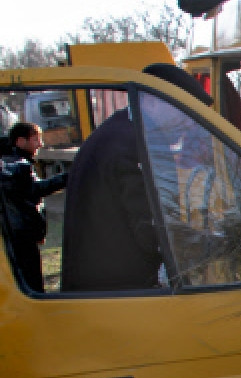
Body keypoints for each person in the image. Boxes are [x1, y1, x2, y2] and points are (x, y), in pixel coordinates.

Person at [61, 63, 213, 292]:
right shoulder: (135, 144)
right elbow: (152, 229)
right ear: (152, 100)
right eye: (183, 112)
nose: (189, 123)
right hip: (115, 294)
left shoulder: (118, 132)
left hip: (100, 289)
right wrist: (211, 243)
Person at [1, 122, 68, 292]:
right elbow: (35, 190)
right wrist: (68, 177)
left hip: (16, 235)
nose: (40, 144)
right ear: (20, 141)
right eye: (35, 139)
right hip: (21, 236)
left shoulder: (10, 164)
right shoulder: (18, 166)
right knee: (32, 284)